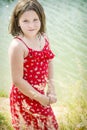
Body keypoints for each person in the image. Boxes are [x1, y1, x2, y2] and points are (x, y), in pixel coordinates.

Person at [8, 0, 58, 129]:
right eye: (25, 21)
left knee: (50, 125)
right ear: (18, 22)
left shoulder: (44, 38)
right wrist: (40, 98)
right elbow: (17, 80)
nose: (31, 25)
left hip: (41, 93)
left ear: (41, 19)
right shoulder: (18, 45)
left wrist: (51, 89)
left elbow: (49, 61)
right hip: (24, 96)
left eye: (35, 19)